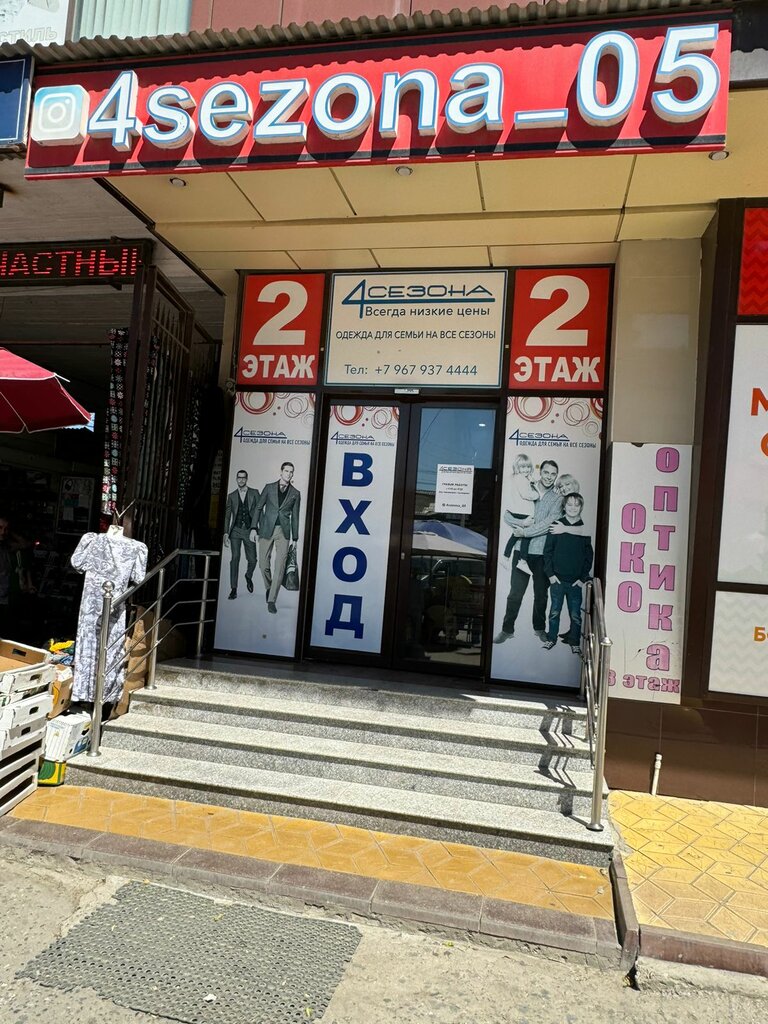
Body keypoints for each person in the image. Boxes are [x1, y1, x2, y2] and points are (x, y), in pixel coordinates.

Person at [494, 459, 562, 644]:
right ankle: (507, 630)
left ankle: (539, 629)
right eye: (546, 472)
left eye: (553, 474)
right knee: (515, 593)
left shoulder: (557, 498)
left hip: (542, 553)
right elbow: (507, 514)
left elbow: (549, 524)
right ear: (540, 472)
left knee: (541, 595)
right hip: (520, 550)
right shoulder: (525, 486)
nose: (549, 477)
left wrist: (525, 531)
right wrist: (520, 523)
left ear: (556, 476)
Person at [542, 493, 593, 654]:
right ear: (564, 506)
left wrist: (582, 578)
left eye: (576, 505)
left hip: (575, 582)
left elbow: (589, 556)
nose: (572, 508)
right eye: (569, 504)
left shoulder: (584, 528)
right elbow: (547, 552)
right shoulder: (556, 526)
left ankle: (574, 641)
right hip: (557, 580)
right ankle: (551, 639)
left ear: (581, 507)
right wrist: (550, 575)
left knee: (575, 615)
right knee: (554, 613)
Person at [250, 462, 301, 614]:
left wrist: (295, 538)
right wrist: (253, 528)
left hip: (284, 532)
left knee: (280, 566)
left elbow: (295, 517)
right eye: (286, 471)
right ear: (281, 472)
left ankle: (272, 600)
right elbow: (259, 507)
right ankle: (269, 587)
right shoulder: (269, 487)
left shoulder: (295, 493)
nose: (289, 474)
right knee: (262, 564)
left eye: (291, 472)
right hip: (266, 529)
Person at [223, 470, 260, 599]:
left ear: (247, 479)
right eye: (239, 478)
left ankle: (248, 576)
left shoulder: (254, 493)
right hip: (236, 531)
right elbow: (227, 516)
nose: (241, 480)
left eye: (243, 478)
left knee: (253, 560)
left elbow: (259, 512)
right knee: (235, 558)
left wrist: (259, 531)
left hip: (249, 530)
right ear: (236, 479)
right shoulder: (231, 496)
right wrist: (226, 533)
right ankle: (233, 588)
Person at [503, 453, 538, 572]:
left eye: (528, 467)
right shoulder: (521, 479)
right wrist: (536, 495)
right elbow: (526, 494)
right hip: (523, 512)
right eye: (523, 467)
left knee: (515, 535)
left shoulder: (516, 478)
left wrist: (531, 481)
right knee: (526, 535)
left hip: (518, 511)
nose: (526, 469)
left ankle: (506, 557)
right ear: (517, 467)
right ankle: (522, 561)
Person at [0, 515, 11, 636]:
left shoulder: (4, 547)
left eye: (5, 529)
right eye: (0, 528)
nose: (3, 532)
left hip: (3, 596)